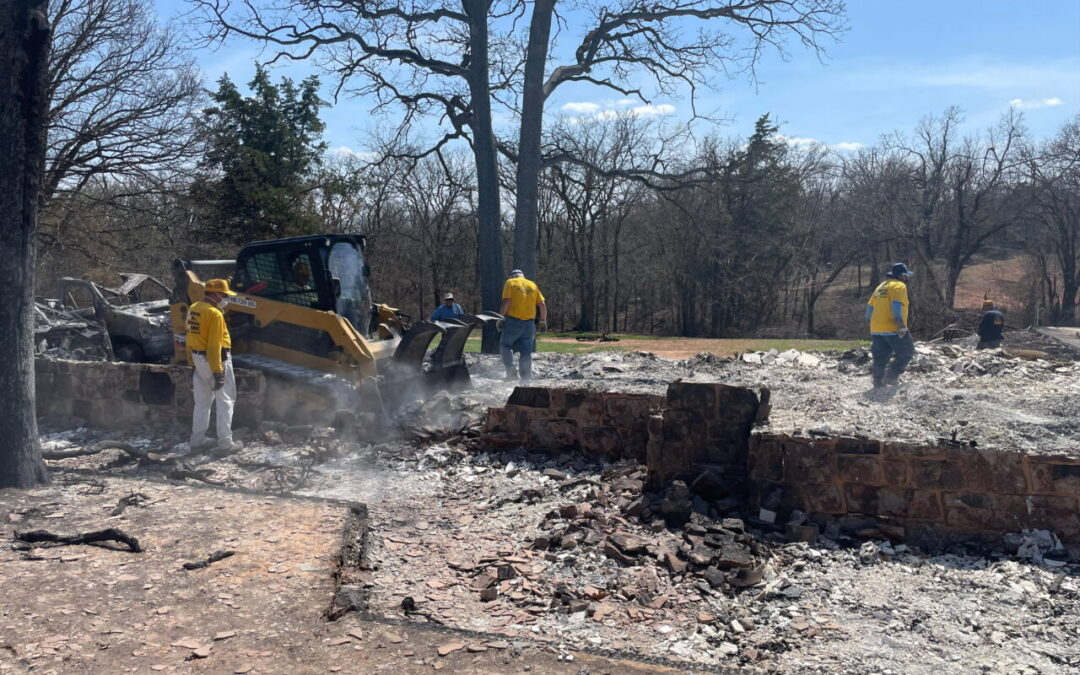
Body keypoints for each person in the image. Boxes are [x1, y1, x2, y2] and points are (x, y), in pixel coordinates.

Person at [187, 279, 240, 451]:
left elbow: (189, 337)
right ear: (216, 294)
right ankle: (225, 443)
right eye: (224, 295)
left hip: (198, 359)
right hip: (216, 360)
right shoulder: (215, 314)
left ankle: (197, 441)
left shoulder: (194, 308)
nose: (225, 298)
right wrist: (218, 371)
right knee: (226, 400)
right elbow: (214, 345)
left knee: (202, 403)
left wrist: (192, 363)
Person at [865, 262, 915, 388]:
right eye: (905, 275)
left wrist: (873, 324)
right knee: (907, 351)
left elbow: (869, 309)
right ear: (902, 275)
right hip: (893, 327)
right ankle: (891, 376)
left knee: (880, 357)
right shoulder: (899, 286)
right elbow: (896, 305)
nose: (906, 278)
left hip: (876, 328)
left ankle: (878, 382)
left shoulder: (881, 287)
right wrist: (901, 325)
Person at [499, 269, 547, 382]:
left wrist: (500, 317)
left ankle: (511, 372)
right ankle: (526, 378)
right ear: (523, 276)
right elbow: (542, 304)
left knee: (505, 345)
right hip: (530, 324)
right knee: (526, 352)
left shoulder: (510, 282)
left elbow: (507, 301)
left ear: (512, 276)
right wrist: (543, 320)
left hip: (513, 321)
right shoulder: (532, 285)